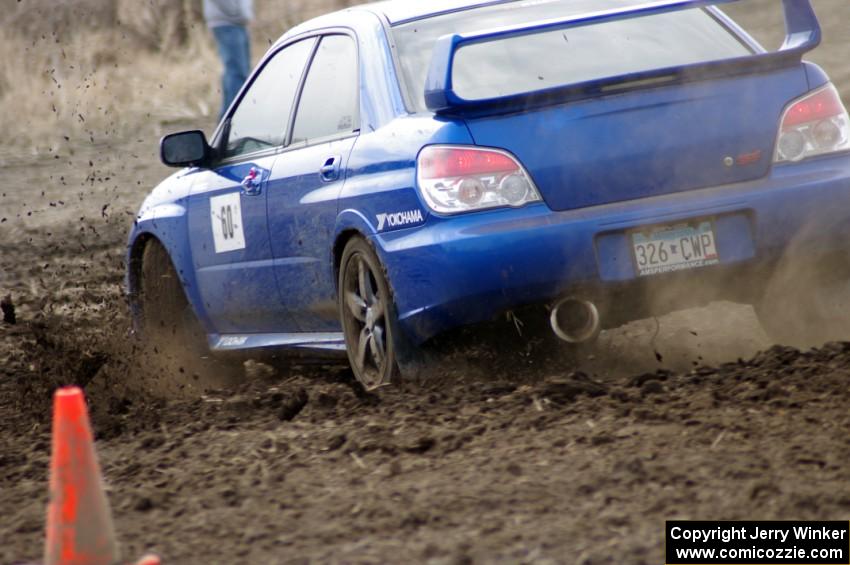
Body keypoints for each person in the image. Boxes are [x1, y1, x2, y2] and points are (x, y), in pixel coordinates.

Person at [203, 0, 254, 118]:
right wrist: (237, 11)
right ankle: (232, 119)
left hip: (235, 22)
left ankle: (227, 119)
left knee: (238, 72)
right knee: (237, 74)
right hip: (228, 21)